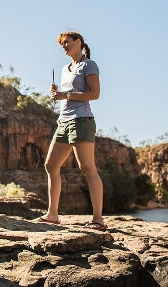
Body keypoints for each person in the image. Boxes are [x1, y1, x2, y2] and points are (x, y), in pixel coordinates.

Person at [35, 31, 106, 231]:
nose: (64, 46)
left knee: (87, 168)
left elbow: (95, 94)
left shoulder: (89, 65)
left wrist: (64, 94)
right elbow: (67, 95)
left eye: (66, 42)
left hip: (81, 120)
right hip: (63, 121)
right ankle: (52, 214)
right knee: (51, 166)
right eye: (61, 44)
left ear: (79, 42)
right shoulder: (66, 69)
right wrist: (57, 94)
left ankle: (98, 219)